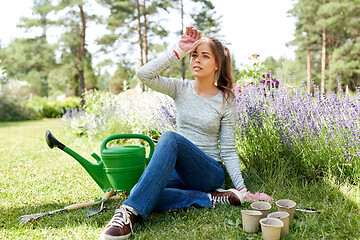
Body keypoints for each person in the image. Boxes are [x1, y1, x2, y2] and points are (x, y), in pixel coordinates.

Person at [100, 26, 273, 240]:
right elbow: (144, 74)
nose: (197, 60)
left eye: (204, 56)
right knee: (141, 191)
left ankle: (128, 214)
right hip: (180, 174)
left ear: (217, 64)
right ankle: (210, 199)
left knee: (170, 139)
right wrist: (178, 52)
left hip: (208, 172)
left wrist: (243, 189)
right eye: (194, 55)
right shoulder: (180, 88)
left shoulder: (226, 100)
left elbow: (228, 149)